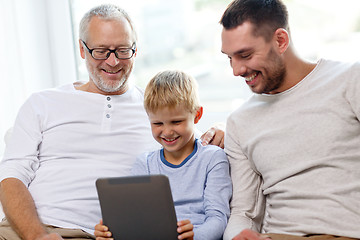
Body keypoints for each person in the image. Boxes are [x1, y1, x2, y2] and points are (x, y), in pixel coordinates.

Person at [0, 4, 224, 240]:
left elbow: (191, 140)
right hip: (24, 231)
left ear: (135, 50)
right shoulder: (42, 103)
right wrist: (37, 236)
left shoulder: (156, 113)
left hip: (95, 235)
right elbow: (10, 176)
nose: (113, 61)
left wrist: (223, 130)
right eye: (101, 51)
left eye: (123, 50)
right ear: (82, 49)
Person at [219, 0, 360, 240]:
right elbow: (243, 212)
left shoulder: (349, 81)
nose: (236, 70)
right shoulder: (239, 122)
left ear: (280, 41)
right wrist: (236, 237)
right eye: (229, 58)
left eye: (245, 55)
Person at [94, 70, 232, 240]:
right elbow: (135, 218)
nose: (167, 132)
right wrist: (111, 232)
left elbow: (218, 219)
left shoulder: (212, 158)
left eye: (176, 122)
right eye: (157, 123)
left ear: (197, 115)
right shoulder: (144, 164)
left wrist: (195, 236)